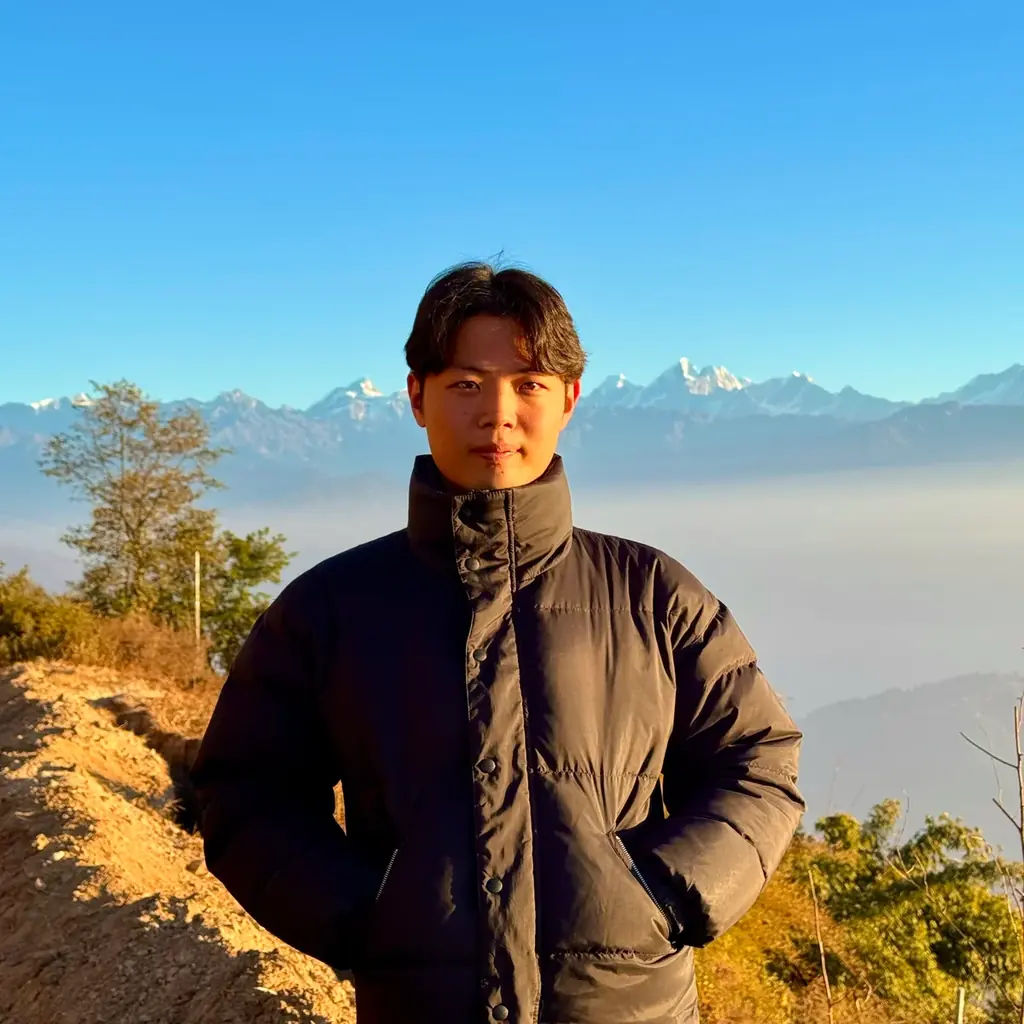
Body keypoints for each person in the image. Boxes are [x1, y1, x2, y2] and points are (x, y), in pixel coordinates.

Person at [190, 261, 805, 1024]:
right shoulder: (329, 609)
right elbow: (245, 790)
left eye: (529, 384)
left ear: (569, 399)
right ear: (417, 397)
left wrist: (665, 895)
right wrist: (362, 912)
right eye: (466, 384)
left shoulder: (653, 595)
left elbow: (759, 758)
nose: (498, 414)